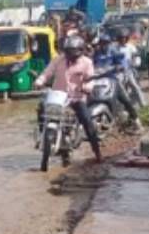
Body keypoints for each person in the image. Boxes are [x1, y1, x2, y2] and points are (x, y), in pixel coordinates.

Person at [35, 35, 102, 163]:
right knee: (41, 110)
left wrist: (87, 87)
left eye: (73, 51)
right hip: (58, 96)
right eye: (68, 51)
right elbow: (46, 73)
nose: (70, 54)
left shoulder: (87, 63)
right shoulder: (58, 60)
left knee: (87, 122)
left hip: (76, 98)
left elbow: (90, 79)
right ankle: (44, 136)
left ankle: (96, 151)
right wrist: (39, 81)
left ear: (80, 51)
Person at [92, 34, 141, 131]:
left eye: (106, 43)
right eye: (102, 43)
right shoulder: (96, 53)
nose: (103, 45)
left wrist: (120, 66)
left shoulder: (114, 51)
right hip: (98, 80)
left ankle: (137, 121)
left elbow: (122, 62)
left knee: (125, 99)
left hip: (112, 79)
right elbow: (91, 64)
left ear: (109, 43)